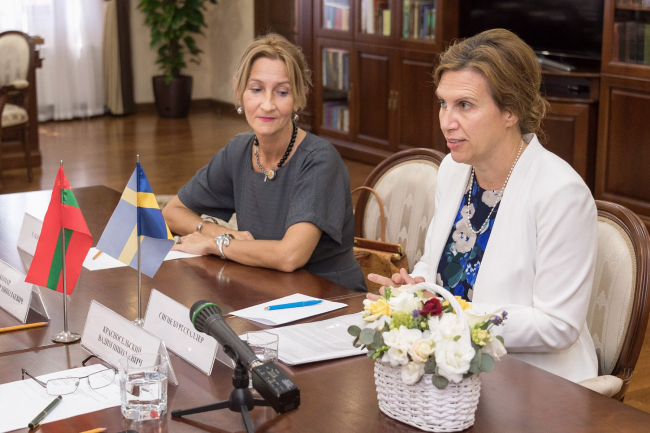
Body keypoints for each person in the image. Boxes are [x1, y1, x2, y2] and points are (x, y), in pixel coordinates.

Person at [368, 29, 598, 382]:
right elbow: (435, 262)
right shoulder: (453, 169)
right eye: (443, 103)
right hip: (453, 363)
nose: (447, 121)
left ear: (511, 111)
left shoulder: (561, 193)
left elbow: (558, 326)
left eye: (465, 105)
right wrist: (415, 289)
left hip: (536, 380)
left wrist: (447, 312)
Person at [163, 33, 366, 292]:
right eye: (256, 89)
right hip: (264, 287)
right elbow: (172, 212)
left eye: (282, 92)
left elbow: (290, 256)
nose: (267, 105)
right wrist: (216, 232)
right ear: (240, 91)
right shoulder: (239, 150)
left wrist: (215, 244)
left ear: (299, 96)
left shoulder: (320, 160)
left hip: (329, 297)